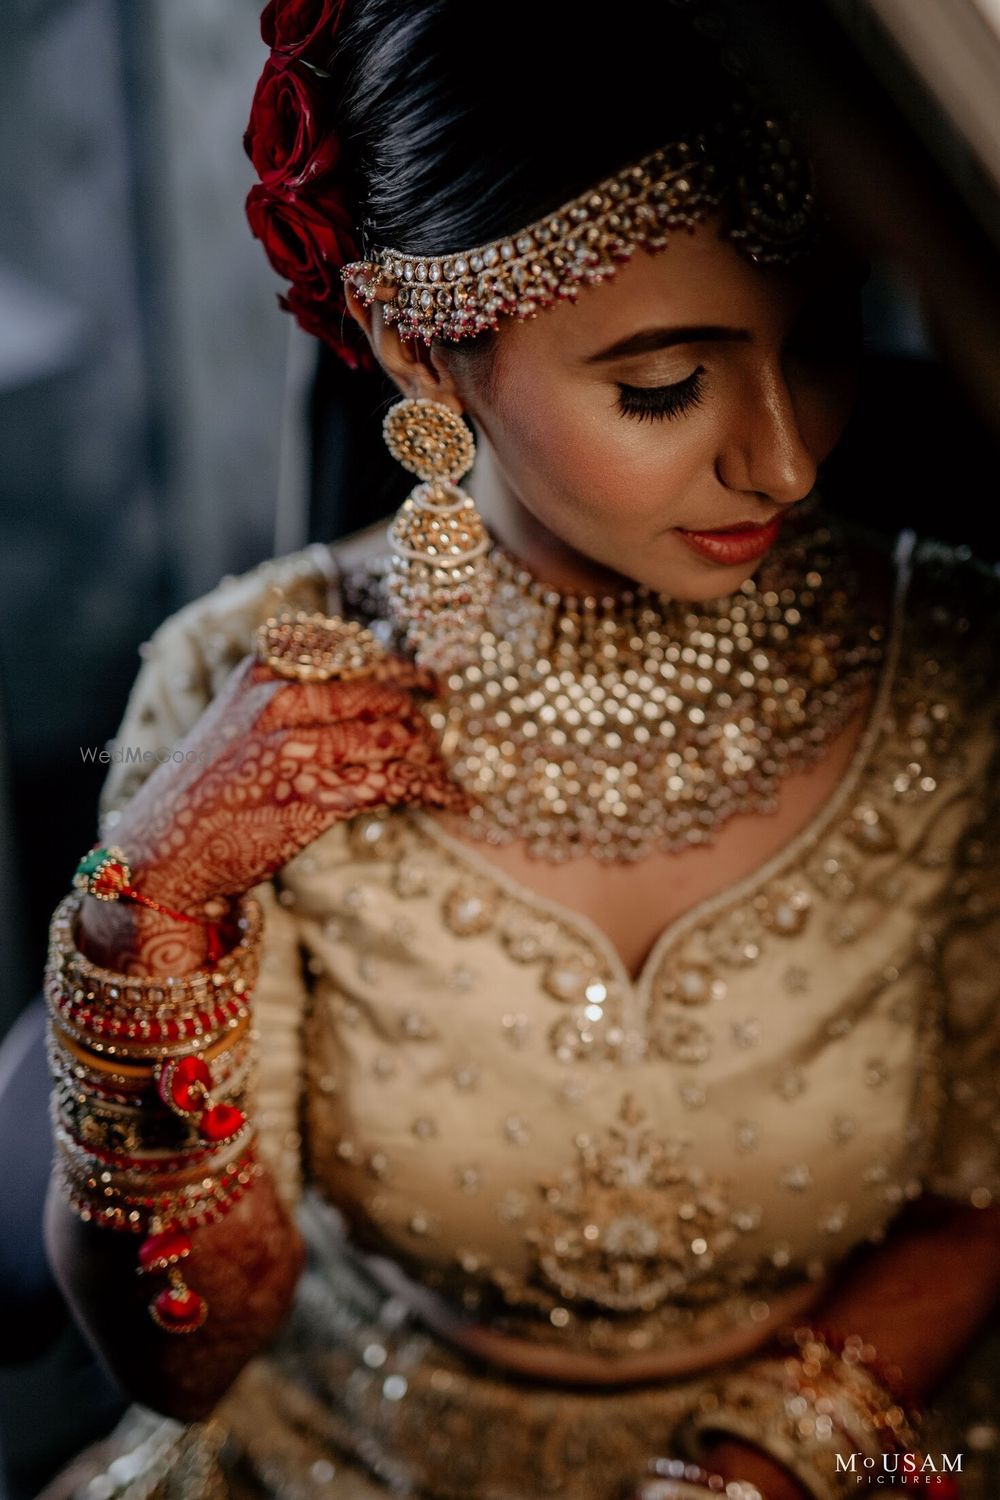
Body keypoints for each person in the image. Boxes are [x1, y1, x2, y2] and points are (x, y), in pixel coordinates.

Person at [37, 2, 1000, 1497]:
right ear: (420, 352)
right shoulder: (247, 693)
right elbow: (187, 1359)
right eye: (663, 387)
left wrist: (759, 1468)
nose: (787, 460)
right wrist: (147, 911)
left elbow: (987, 1200)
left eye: (818, 343)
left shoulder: (958, 663)